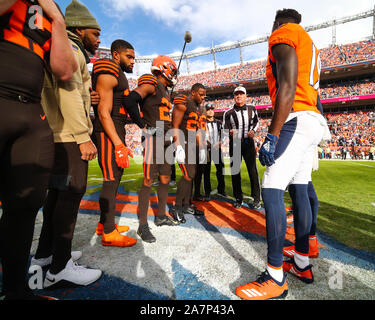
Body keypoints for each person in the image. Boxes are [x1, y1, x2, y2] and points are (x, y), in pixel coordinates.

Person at [236, 9, 327, 300]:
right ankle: (302, 262)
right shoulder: (309, 42)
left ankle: (275, 276)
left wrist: (273, 134)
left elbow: (287, 85)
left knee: (272, 189)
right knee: (300, 188)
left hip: (296, 118)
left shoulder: (284, 34)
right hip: (311, 118)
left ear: (277, 24)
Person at [0, 0, 77, 300]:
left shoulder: (49, 8)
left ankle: (16, 292)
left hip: (31, 111)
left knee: (25, 206)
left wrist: (57, 18)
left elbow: (64, 70)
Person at [31, 0, 102, 289]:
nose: (98, 39)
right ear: (78, 29)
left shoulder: (64, 45)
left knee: (56, 197)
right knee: (70, 196)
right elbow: (69, 92)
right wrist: (83, 135)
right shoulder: (72, 48)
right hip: (69, 135)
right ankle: (60, 267)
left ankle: (46, 255)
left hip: (56, 133)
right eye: (95, 33)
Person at [92, 39, 144, 247]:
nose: (133, 61)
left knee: (117, 174)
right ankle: (109, 233)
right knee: (111, 177)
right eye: (129, 56)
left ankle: (104, 223)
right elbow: (103, 112)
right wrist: (118, 144)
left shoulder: (119, 72)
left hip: (117, 126)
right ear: (116, 55)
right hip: (108, 128)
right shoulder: (108, 68)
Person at [124, 55, 179, 243]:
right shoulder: (151, 82)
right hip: (153, 140)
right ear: (164, 68)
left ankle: (161, 215)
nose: (174, 73)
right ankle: (142, 225)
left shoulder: (164, 90)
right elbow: (131, 100)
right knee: (148, 181)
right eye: (172, 69)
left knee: (165, 179)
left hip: (165, 140)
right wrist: (143, 125)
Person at [171, 83, 207, 223]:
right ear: (193, 92)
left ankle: (186, 205)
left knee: (191, 175)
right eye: (201, 94)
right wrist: (178, 145)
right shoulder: (183, 101)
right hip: (183, 143)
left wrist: (202, 147)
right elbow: (175, 125)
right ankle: (177, 207)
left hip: (192, 144)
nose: (203, 97)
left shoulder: (198, 108)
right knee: (187, 174)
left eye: (204, 95)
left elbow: (197, 130)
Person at [223, 86, 261, 209]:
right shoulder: (228, 113)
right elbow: (224, 129)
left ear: (245, 96)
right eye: (236, 94)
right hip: (235, 144)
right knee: (235, 172)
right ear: (234, 97)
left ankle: (256, 198)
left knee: (252, 171)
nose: (239, 96)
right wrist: (229, 133)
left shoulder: (252, 108)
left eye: (241, 94)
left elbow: (257, 122)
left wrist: (253, 131)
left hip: (248, 143)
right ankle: (238, 198)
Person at [202, 104, 226, 199]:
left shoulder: (219, 123)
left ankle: (221, 190)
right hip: (206, 149)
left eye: (212, 109)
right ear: (205, 111)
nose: (210, 111)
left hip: (217, 149)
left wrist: (221, 142)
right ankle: (207, 192)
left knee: (220, 170)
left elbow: (224, 135)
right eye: (208, 109)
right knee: (206, 171)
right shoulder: (202, 123)